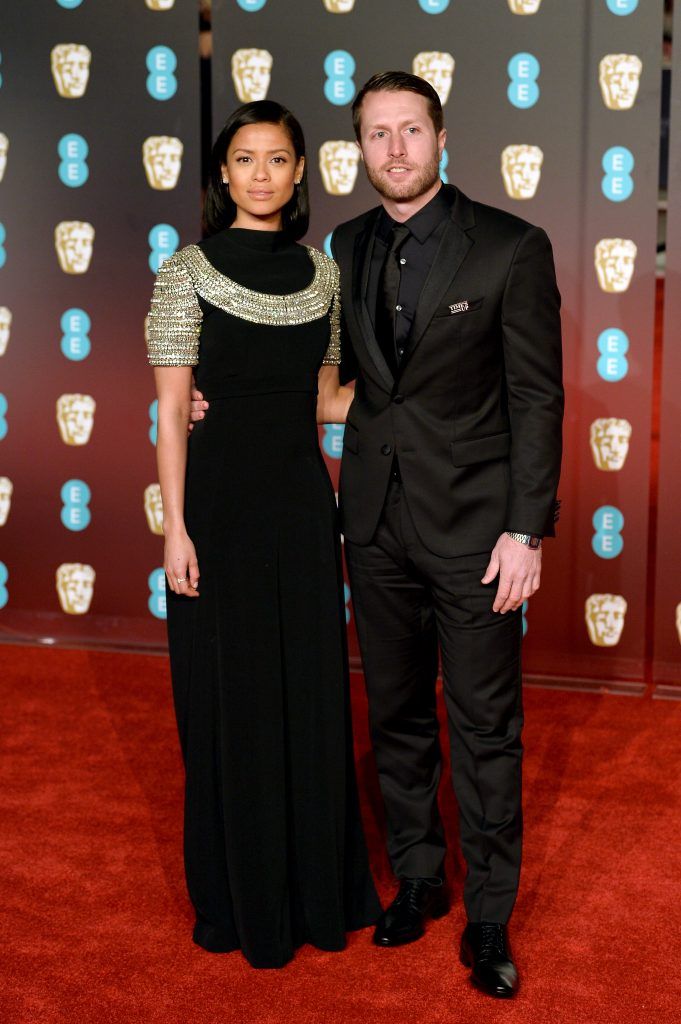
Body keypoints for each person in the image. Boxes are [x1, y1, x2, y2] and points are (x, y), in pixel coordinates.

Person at [191, 72, 563, 998]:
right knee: (395, 720)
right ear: (357, 148)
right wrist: (215, 400)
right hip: (371, 528)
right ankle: (421, 881)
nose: (393, 149)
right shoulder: (341, 251)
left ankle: (487, 919)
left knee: (482, 729)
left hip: (478, 534)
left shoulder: (512, 247)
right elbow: (314, 374)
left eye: (409, 131)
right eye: (375, 134)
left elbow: (536, 399)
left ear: (440, 137)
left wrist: (526, 529)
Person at [147, 99, 380, 970]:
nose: (260, 174)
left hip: (298, 513)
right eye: (244, 159)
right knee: (228, 703)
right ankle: (237, 901)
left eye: (277, 159)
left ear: (297, 173)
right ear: (221, 173)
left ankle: (318, 892)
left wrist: (423, 401)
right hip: (217, 514)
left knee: (307, 699)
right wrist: (175, 528)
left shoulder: (321, 275)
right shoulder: (185, 272)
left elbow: (324, 399)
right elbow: (173, 411)